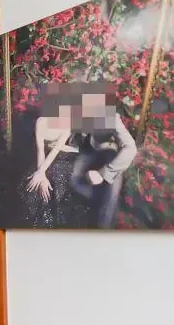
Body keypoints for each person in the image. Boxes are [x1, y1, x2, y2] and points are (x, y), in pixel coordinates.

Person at [21, 82, 137, 228]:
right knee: (73, 179)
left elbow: (131, 148)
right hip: (86, 154)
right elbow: (62, 132)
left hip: (108, 157)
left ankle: (103, 229)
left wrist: (104, 173)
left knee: (111, 193)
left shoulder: (112, 117)